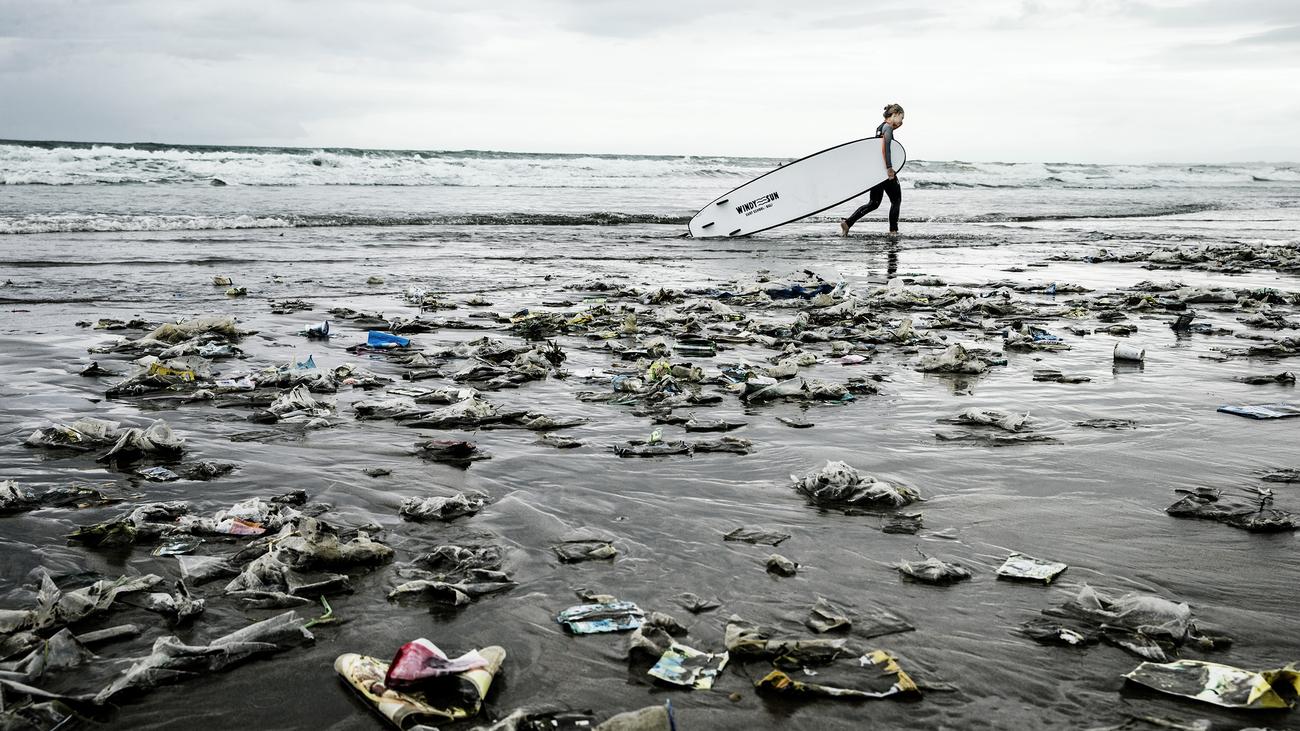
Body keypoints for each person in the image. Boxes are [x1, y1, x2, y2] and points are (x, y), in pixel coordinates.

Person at [840, 104, 904, 237]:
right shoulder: (888, 128)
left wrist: (897, 125)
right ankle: (893, 231)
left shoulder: (880, 127)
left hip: (877, 172)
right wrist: (889, 168)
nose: (902, 121)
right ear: (895, 114)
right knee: (896, 200)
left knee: (873, 203)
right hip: (885, 171)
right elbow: (886, 148)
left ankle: (848, 223)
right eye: (901, 117)